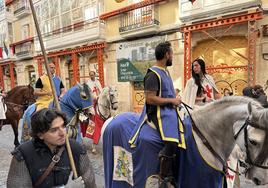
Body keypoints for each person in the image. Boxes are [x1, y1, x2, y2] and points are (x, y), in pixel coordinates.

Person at [129, 42, 182, 184]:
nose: (172, 56)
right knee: (172, 142)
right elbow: (150, 99)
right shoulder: (153, 74)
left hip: (168, 109)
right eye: (172, 53)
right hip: (157, 112)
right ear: (166, 54)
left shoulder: (165, 71)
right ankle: (163, 177)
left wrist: (175, 98)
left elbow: (166, 92)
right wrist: (172, 101)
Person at [7, 108, 97, 188]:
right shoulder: (24, 154)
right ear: (40, 134)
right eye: (54, 130)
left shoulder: (76, 149)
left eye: (63, 126)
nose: (62, 133)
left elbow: (91, 184)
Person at [86, 71, 103, 154]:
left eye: (93, 75)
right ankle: (90, 118)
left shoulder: (97, 81)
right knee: (94, 121)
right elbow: (89, 93)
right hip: (92, 101)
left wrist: (101, 96)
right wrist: (95, 97)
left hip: (99, 99)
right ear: (89, 76)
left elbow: (101, 90)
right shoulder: (88, 83)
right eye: (91, 75)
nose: (92, 76)